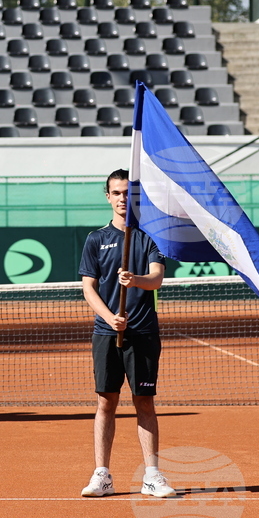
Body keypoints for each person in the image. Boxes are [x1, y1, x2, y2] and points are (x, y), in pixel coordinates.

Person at [78, 169, 174, 499]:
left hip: (144, 332)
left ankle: (152, 475)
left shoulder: (150, 237)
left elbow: (157, 278)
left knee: (143, 401)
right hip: (107, 332)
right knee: (106, 401)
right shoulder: (95, 239)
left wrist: (135, 280)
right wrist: (109, 317)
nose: (122, 199)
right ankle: (102, 475)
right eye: (116, 193)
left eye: (128, 194)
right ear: (108, 196)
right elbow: (88, 288)